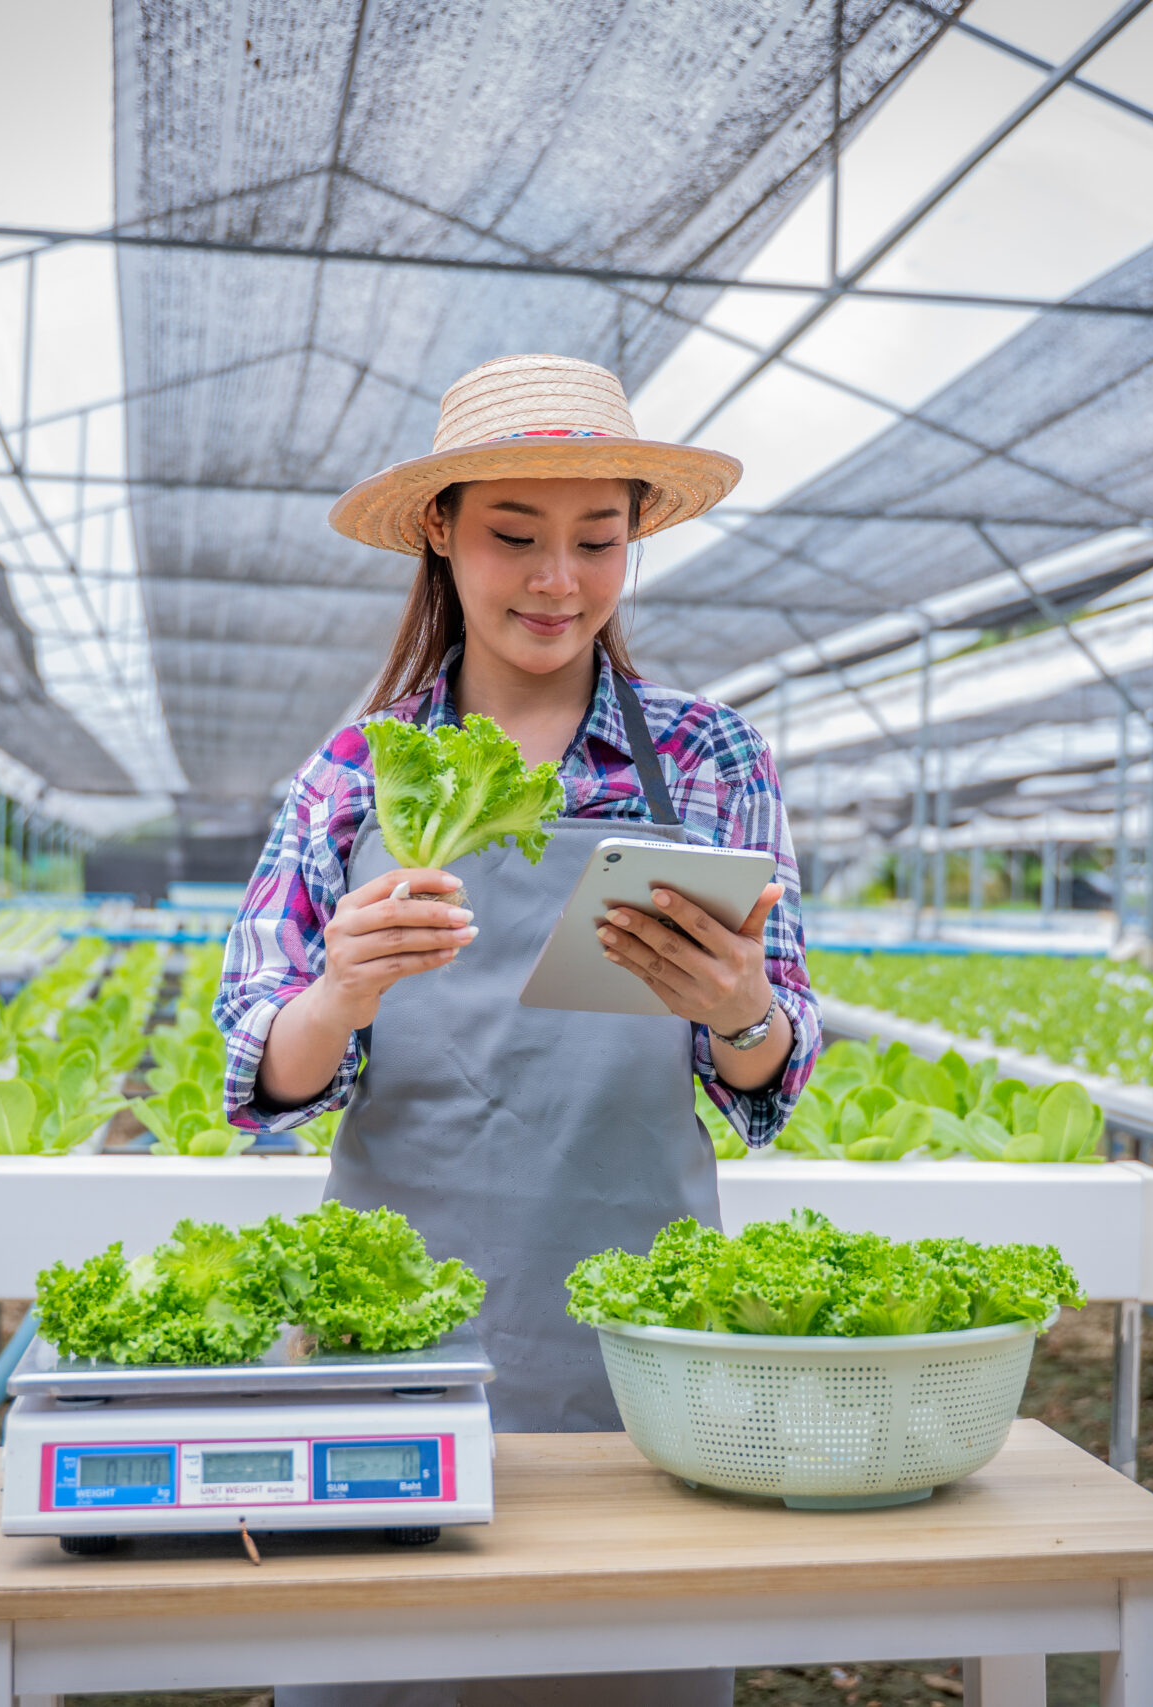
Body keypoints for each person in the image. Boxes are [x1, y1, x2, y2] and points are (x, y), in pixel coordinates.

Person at [216, 353, 820, 1707]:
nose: (559, 581)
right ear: (440, 533)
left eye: (598, 541)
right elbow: (268, 1076)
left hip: (637, 1328)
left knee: (630, 1666)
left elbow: (767, 1078)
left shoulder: (710, 757)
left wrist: (738, 1010)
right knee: (382, 1664)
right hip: (398, 1323)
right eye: (516, 536)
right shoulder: (357, 766)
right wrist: (340, 993)